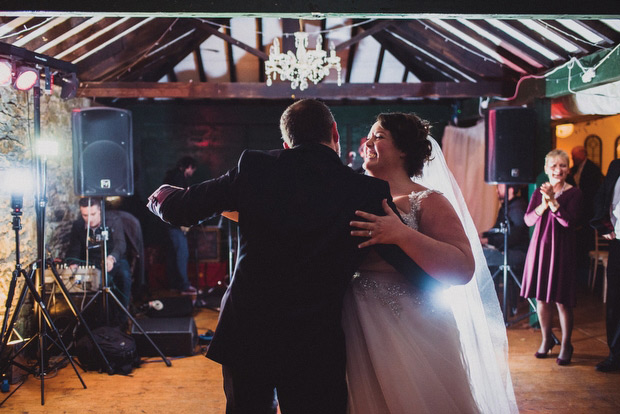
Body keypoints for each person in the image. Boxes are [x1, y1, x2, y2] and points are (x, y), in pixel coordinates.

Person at [147, 99, 427, 414]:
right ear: (334, 133)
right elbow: (412, 267)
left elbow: (179, 209)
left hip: (249, 331)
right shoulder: (365, 192)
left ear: (286, 143)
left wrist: (160, 195)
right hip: (316, 342)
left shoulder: (254, 167)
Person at [345, 112, 518, 413]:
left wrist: (400, 234)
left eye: (379, 136)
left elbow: (463, 267)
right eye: (369, 137)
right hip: (354, 324)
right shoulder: (348, 196)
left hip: (414, 327)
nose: (367, 143)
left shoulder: (427, 200)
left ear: (404, 150)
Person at [521, 149, 582, 365]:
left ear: (568, 169)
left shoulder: (574, 193)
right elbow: (528, 220)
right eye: (554, 166)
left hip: (562, 250)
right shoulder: (539, 193)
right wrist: (544, 202)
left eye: (563, 165)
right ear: (546, 170)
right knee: (541, 298)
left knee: (562, 300)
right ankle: (547, 340)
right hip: (540, 249)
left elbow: (568, 222)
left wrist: (553, 202)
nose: (558, 170)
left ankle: (566, 344)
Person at [65, 197, 133, 312]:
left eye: (93, 214)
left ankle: (122, 317)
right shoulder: (78, 226)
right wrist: (74, 264)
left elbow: (120, 244)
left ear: (100, 211)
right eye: (85, 215)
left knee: (124, 276)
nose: (89, 219)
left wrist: (111, 258)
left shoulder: (113, 221)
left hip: (114, 259)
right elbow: (74, 249)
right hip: (91, 261)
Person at [590, 158, 620, 372]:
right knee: (615, 300)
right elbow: (602, 196)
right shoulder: (616, 166)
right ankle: (615, 355)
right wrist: (602, 224)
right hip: (618, 241)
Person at [481, 184, 529, 312]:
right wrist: (482, 235)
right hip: (506, 250)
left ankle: (489, 306)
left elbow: (514, 236)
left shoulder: (518, 207)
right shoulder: (506, 207)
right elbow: (497, 229)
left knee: (481, 257)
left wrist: (487, 240)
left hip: (518, 252)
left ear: (511, 190)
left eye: (500, 187)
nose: (497, 190)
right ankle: (490, 303)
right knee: (482, 255)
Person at [567, 145, 603, 286]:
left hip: (587, 211)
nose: (573, 159)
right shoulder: (574, 169)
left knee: (585, 243)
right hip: (577, 211)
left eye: (575, 156)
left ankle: (584, 277)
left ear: (583, 155)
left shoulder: (593, 169)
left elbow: (593, 191)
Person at [162, 156, 197, 295]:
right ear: (189, 167)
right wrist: (183, 222)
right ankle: (183, 286)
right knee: (182, 253)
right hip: (175, 223)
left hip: (167, 221)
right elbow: (180, 202)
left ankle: (174, 285)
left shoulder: (171, 176)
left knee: (173, 254)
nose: (192, 173)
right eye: (193, 169)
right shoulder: (178, 179)